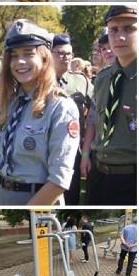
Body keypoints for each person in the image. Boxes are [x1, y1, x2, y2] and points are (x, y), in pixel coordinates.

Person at [0, 20, 80, 205]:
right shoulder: (7, 103)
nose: (19, 61)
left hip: (38, 204)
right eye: (14, 55)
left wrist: (24, 217)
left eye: (28, 54)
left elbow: (59, 180)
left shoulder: (61, 107)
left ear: (44, 58)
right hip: (0, 200)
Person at [82, 6, 138, 205]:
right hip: (98, 173)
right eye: (113, 30)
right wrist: (86, 154)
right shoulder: (103, 79)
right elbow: (95, 121)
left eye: (129, 29)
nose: (120, 37)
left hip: (131, 178)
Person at [52, 34, 93, 206]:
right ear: (50, 53)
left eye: (69, 53)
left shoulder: (80, 80)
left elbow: (98, 108)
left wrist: (86, 152)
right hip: (46, 151)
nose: (66, 57)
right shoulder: (38, 80)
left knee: (72, 196)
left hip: (73, 151)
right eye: (61, 53)